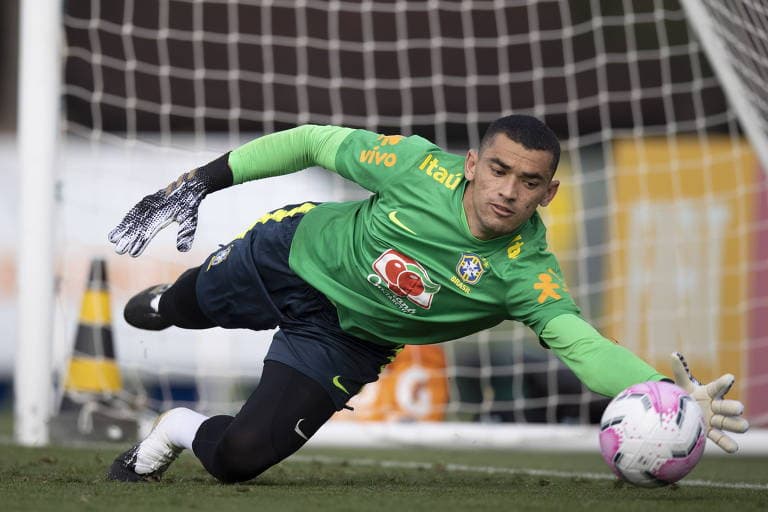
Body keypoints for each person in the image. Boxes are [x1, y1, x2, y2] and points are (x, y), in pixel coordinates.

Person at [106, 115, 748, 483]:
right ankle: (170, 304)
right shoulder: (417, 166)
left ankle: (172, 430)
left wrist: (661, 392)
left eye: (529, 183)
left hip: (346, 340)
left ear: (546, 195)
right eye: (498, 170)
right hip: (292, 258)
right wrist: (202, 182)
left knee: (239, 461)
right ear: (471, 164)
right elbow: (310, 141)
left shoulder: (530, 274)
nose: (508, 191)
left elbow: (580, 343)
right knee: (172, 312)